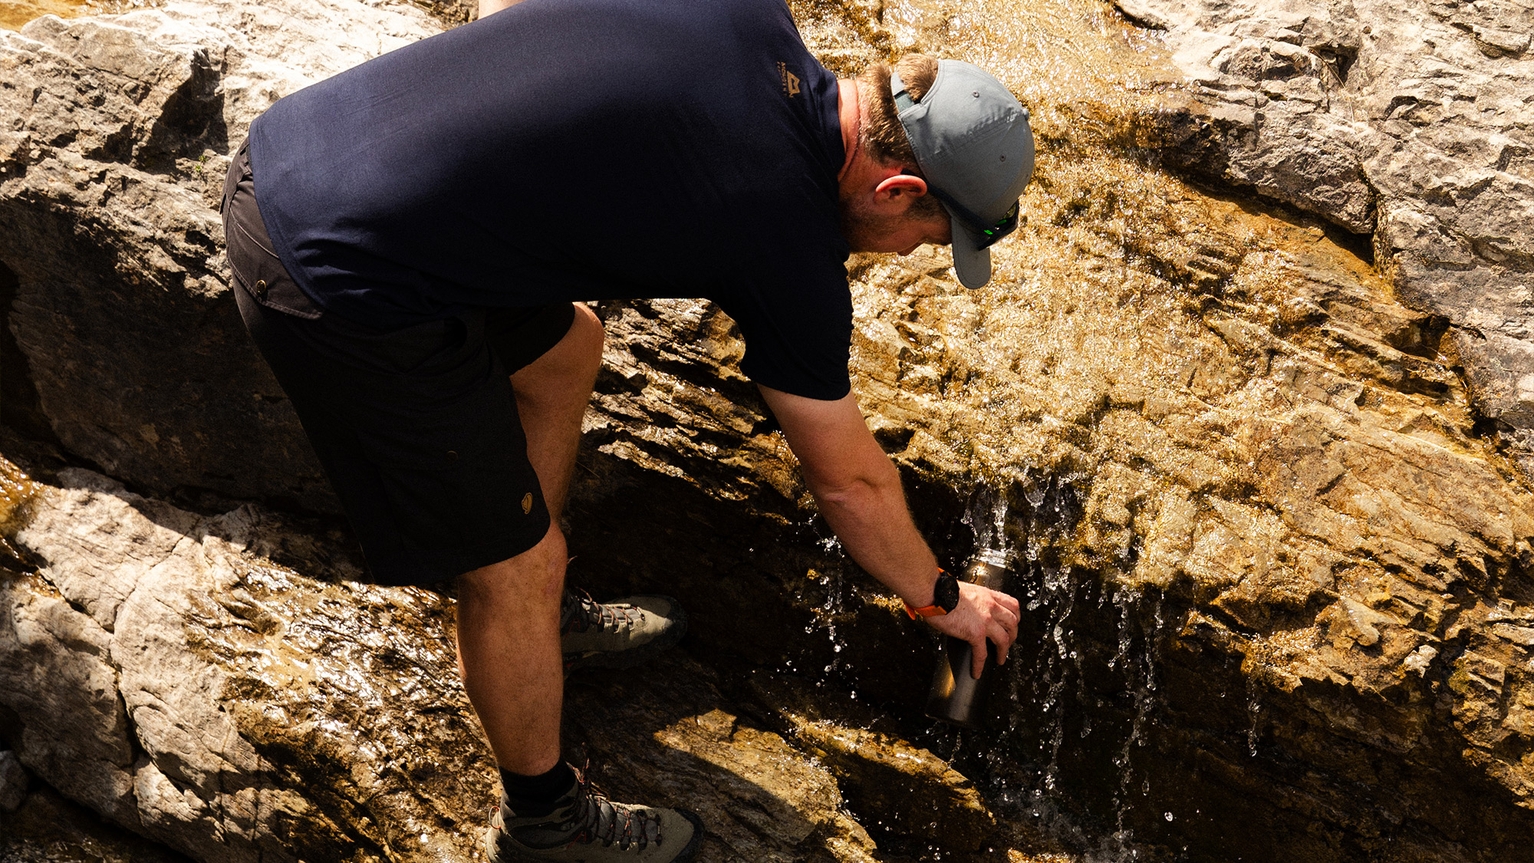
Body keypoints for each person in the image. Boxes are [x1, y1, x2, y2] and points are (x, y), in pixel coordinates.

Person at [219, 0, 1033, 856]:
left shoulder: (753, 19)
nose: (913, 254)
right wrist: (941, 598)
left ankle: (544, 618)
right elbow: (850, 481)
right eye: (929, 236)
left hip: (305, 142)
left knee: (570, 346)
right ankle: (544, 821)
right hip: (334, 271)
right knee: (518, 564)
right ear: (897, 188)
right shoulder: (783, 236)